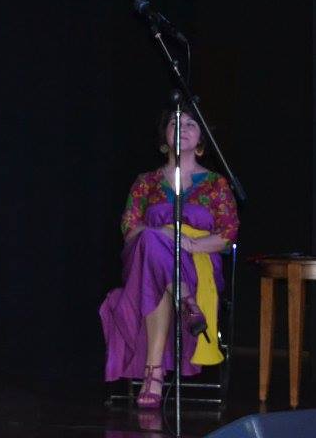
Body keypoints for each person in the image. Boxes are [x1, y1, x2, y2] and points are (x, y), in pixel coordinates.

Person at [99, 109, 239, 409]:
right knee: (151, 242)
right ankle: (187, 303)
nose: (182, 127)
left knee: (156, 263)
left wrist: (186, 243)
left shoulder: (216, 184)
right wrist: (163, 234)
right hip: (144, 260)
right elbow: (129, 229)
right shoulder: (146, 182)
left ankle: (153, 375)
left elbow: (227, 235)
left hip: (196, 261)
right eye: (175, 123)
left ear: (201, 139)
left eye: (190, 123)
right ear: (164, 136)